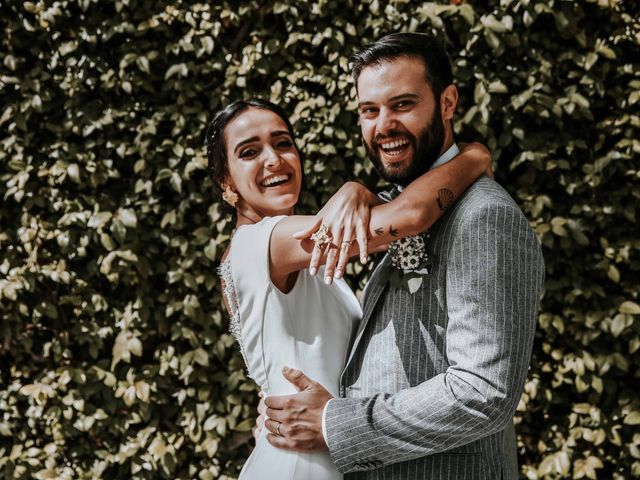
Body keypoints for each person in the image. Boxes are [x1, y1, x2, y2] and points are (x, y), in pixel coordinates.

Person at [262, 32, 545, 479]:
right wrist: (360, 189)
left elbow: (483, 391)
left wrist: (336, 424)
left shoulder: (484, 217)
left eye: (403, 105)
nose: (383, 125)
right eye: (369, 111)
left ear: (448, 102)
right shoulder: (392, 205)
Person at [207, 97, 491, 479]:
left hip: (324, 450)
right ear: (226, 181)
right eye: (249, 152)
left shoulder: (291, 248)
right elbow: (409, 216)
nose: (273, 159)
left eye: (283, 143)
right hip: (301, 466)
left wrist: (357, 191)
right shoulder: (266, 243)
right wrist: (474, 156)